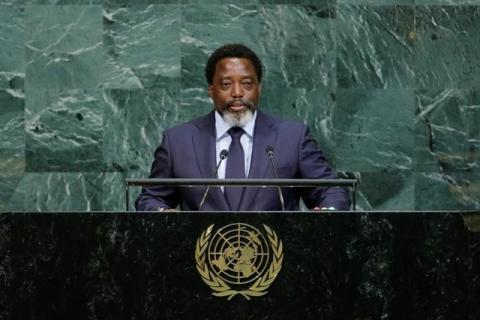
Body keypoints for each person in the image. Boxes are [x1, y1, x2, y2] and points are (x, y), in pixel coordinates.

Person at [135, 43, 349, 211]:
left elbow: (331, 190)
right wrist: (163, 213)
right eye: (226, 84)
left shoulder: (292, 137)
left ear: (259, 88)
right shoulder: (178, 141)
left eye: (247, 84)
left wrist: (328, 212)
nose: (237, 93)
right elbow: (152, 197)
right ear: (211, 90)